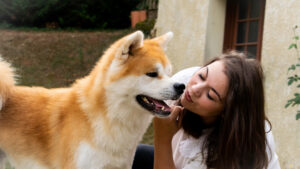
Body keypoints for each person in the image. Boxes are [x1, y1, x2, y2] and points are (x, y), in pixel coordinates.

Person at [132, 51, 281, 169]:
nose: (194, 89)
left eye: (210, 95)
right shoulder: (185, 80)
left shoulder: (236, 149)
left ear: (226, 112)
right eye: (202, 76)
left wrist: (163, 139)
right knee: (137, 156)